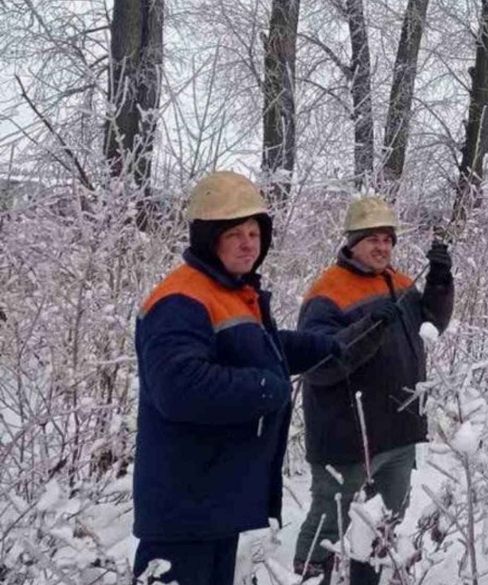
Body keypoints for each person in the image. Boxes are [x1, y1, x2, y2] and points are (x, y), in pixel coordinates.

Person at [133, 171, 340, 585]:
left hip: (217, 501)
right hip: (185, 508)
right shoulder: (180, 299)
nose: (249, 244)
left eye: (254, 233)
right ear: (209, 239)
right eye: (235, 234)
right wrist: (269, 388)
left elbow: (252, 347)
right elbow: (179, 386)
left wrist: (323, 346)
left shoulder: (228, 291)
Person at [293, 198, 454, 583]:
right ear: (352, 243)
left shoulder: (399, 282)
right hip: (347, 438)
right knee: (328, 522)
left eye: (387, 239)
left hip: (398, 431)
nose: (382, 247)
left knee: (385, 521)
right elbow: (318, 365)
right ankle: (309, 575)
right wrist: (367, 327)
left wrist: (439, 280)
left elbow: (433, 322)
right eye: (372, 240)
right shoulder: (327, 294)